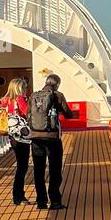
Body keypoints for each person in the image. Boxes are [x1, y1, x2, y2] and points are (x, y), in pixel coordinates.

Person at [28, 73, 74, 210]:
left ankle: (41, 201)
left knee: (38, 170)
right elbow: (68, 114)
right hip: (52, 138)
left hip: (35, 137)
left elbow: (27, 114)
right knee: (54, 170)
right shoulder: (58, 95)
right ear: (57, 84)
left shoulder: (33, 96)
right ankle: (55, 201)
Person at [0, 77, 33, 205]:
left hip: (13, 135)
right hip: (22, 136)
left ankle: (18, 195)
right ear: (20, 88)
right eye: (24, 88)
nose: (26, 90)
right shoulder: (19, 99)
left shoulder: (5, 100)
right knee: (22, 167)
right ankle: (18, 196)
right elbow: (27, 113)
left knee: (20, 165)